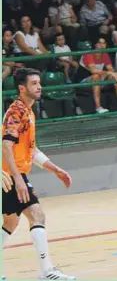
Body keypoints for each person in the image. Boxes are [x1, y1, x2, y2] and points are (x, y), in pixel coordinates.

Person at [2, 68, 76, 280]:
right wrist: (18, 179)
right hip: (10, 175)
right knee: (36, 215)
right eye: (34, 83)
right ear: (22, 88)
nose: (39, 86)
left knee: (11, 222)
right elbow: (6, 146)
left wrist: (56, 170)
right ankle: (47, 271)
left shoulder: (28, 112)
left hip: (12, 174)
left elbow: (31, 150)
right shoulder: (16, 112)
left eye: (39, 82)